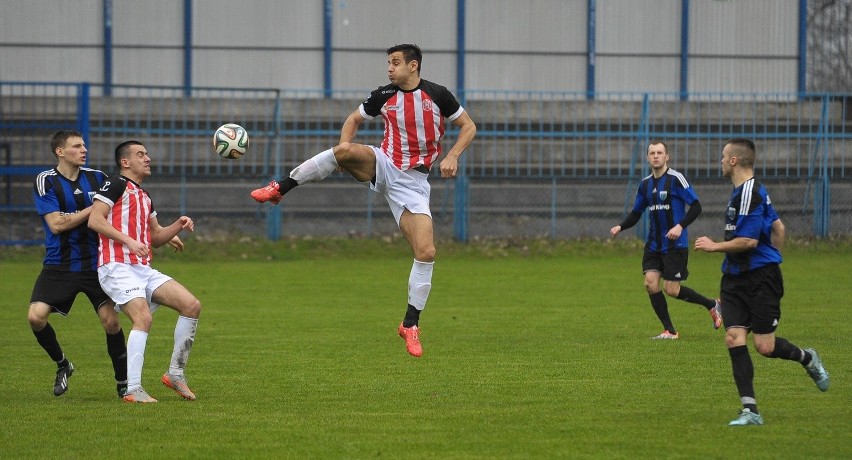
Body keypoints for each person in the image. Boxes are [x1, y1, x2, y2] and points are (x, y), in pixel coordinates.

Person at [250, 44, 476, 358]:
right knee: (343, 151)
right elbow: (353, 121)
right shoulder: (383, 95)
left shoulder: (438, 95)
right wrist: (344, 151)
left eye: (395, 63)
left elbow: (468, 126)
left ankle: (410, 324)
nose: (389, 68)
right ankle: (280, 187)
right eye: (388, 63)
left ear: (413, 66)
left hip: (414, 183)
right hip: (384, 164)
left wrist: (453, 155)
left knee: (426, 251)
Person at [695, 138, 829, 426]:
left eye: (722, 156)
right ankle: (750, 411)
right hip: (734, 278)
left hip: (760, 280)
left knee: (765, 347)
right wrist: (774, 253)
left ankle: (808, 358)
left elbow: (749, 240)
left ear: (734, 161)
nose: (719, 161)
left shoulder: (750, 193)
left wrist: (714, 245)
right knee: (734, 337)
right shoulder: (746, 192)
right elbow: (779, 227)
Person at [88, 140, 201, 403]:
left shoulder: (144, 195)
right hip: (116, 266)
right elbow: (95, 219)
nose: (147, 158)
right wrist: (128, 240)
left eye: (147, 153)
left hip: (140, 268)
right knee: (143, 318)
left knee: (191, 305)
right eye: (140, 154)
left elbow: (156, 237)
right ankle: (133, 389)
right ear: (125, 162)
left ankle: (175, 374)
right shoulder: (116, 184)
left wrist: (178, 225)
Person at [28, 130, 128, 398]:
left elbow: (124, 207)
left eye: (84, 145)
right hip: (59, 265)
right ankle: (63, 364)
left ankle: (123, 385)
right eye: (76, 146)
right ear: (60, 151)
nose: (84, 150)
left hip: (97, 265)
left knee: (111, 323)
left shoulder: (99, 178)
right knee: (35, 317)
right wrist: (94, 208)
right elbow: (57, 225)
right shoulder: (46, 181)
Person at [610, 140, 722, 339]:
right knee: (650, 284)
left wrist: (680, 226)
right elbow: (636, 213)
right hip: (654, 244)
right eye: (652, 153)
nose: (655, 156)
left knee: (671, 289)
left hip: (674, 245)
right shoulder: (645, 185)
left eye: (659, 152)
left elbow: (696, 206)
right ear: (647, 157)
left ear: (667, 156)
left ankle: (712, 305)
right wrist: (621, 226)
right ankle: (670, 331)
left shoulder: (676, 179)